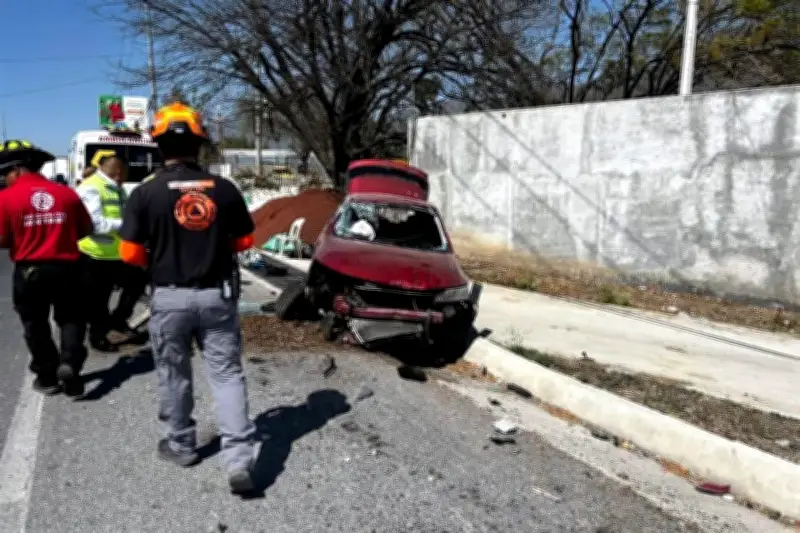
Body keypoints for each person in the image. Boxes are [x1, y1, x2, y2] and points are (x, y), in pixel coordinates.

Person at [118, 102, 258, 494]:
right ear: (200, 144)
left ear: (158, 144)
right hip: (217, 296)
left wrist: (160, 257)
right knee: (227, 375)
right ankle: (239, 461)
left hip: (169, 297)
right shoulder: (225, 189)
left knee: (174, 373)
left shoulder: (146, 193)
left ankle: (181, 444)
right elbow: (245, 240)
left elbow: (128, 253)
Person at [0, 140, 93, 396]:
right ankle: (70, 362)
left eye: (5, 173)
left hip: (30, 271)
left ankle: (47, 375)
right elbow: (86, 230)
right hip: (68, 267)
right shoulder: (66, 194)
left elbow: (2, 239)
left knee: (35, 324)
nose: (5, 179)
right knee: (72, 318)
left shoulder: (5, 198)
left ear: (17, 170)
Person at [78, 154, 147, 352]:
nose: (127, 175)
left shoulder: (117, 188)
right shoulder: (91, 187)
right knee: (99, 300)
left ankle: (118, 320)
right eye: (126, 171)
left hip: (117, 253)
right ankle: (98, 338)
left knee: (138, 281)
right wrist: (128, 225)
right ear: (118, 171)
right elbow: (95, 224)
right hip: (95, 255)